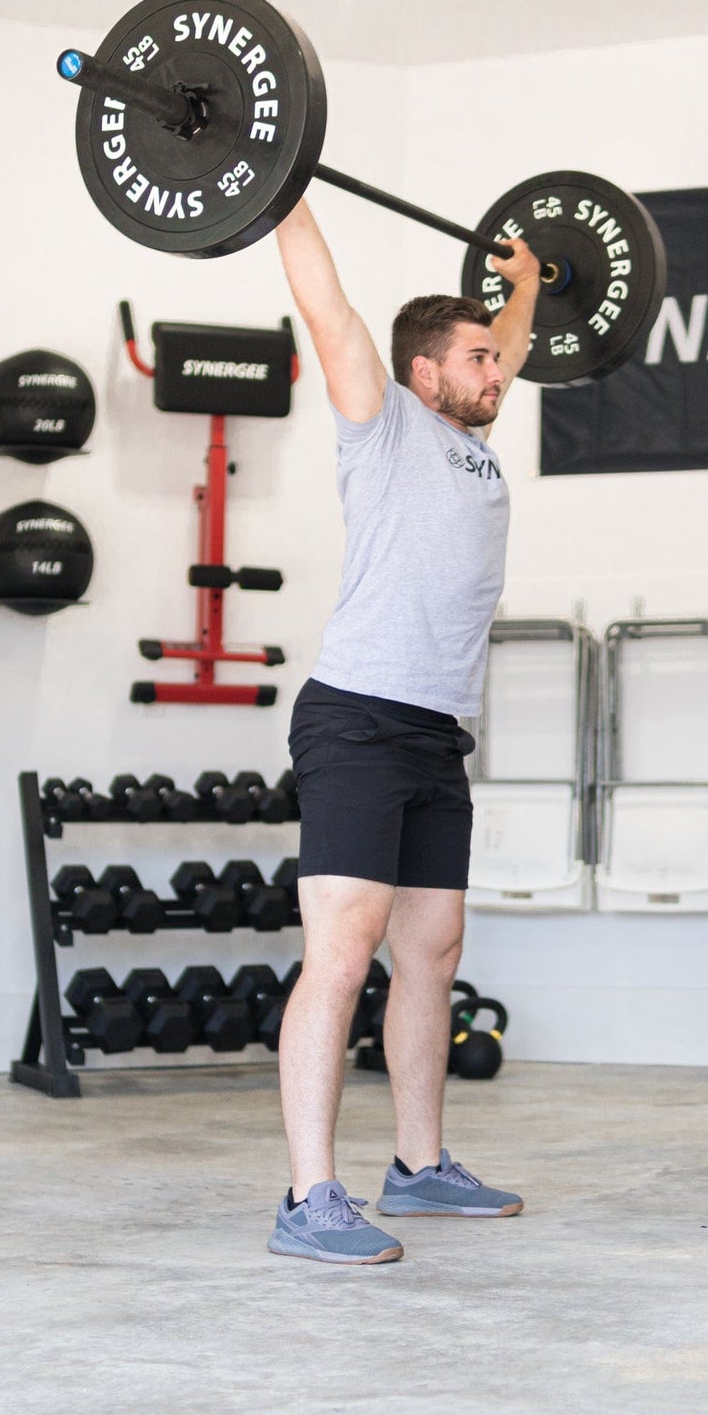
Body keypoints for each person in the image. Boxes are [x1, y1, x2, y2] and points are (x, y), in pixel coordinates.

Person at [266, 196, 542, 1264]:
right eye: (478, 358)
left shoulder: (470, 441)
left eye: (497, 356)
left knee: (430, 950)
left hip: (435, 731)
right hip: (356, 719)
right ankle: (307, 1193)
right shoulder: (380, 423)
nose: (498, 371)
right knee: (339, 955)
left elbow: (508, 337)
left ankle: (419, 1168)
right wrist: (278, 187)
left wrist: (519, 286)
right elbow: (325, 307)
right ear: (426, 370)